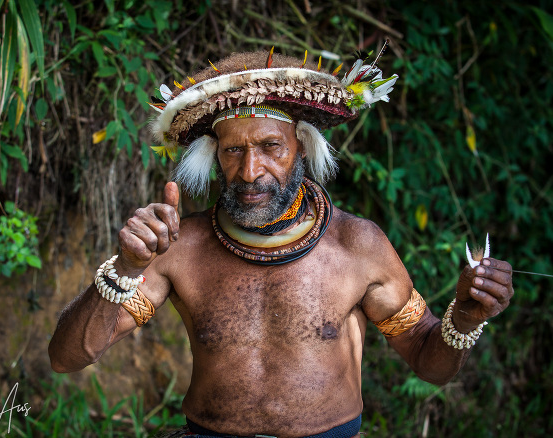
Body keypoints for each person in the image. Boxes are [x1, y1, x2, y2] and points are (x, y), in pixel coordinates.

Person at [48, 48, 513, 438]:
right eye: (233, 151)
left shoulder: (357, 247)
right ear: (215, 157)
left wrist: (467, 316)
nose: (251, 171)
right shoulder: (179, 248)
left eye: (271, 146)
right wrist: (127, 268)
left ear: (302, 148)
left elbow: (430, 363)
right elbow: (67, 358)